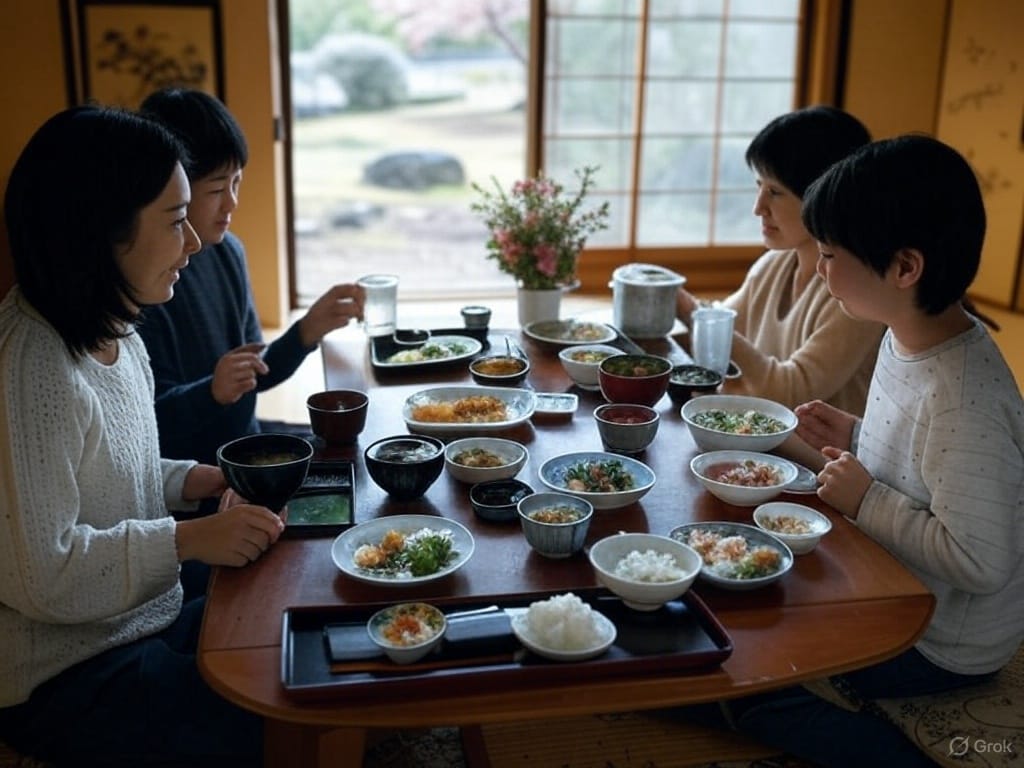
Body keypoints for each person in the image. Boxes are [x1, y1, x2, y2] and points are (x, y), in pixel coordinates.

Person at [0, 106, 283, 767]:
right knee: (268, 719)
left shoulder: (118, 331)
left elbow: (116, 471)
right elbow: (44, 573)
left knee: (283, 636)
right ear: (102, 231)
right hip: (65, 675)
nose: (193, 243)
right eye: (176, 219)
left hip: (138, 618)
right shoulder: (31, 367)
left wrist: (194, 480)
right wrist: (188, 538)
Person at [728, 135, 1024, 767]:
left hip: (940, 641)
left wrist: (865, 497)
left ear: (904, 267)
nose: (818, 268)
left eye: (831, 255)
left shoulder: (964, 396)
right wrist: (857, 434)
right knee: (741, 601)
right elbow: (924, 464)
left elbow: (982, 562)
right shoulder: (903, 335)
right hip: (892, 579)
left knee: (754, 679)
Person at [136, 87, 364, 467]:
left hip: (248, 445)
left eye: (237, 183)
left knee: (364, 452)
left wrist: (307, 331)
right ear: (172, 188)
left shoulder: (228, 251)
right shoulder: (147, 278)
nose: (232, 203)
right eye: (216, 189)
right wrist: (211, 391)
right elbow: (147, 423)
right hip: (193, 475)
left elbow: (253, 375)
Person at [676, 105, 885, 416]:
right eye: (759, 186)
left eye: (775, 192)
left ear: (823, 197)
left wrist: (694, 313)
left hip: (822, 460)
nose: (758, 208)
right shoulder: (775, 264)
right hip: (764, 445)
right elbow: (721, 331)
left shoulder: (857, 290)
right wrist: (676, 307)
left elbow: (790, 391)